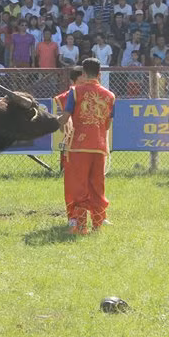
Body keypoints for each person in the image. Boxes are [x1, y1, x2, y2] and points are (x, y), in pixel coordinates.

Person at [57, 58, 115, 235]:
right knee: (97, 186)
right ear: (99, 74)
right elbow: (107, 124)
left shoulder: (75, 91)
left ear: (83, 73)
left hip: (78, 146)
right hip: (99, 145)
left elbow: (65, 119)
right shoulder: (110, 96)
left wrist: (54, 123)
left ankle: (80, 226)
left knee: (79, 186)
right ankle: (97, 224)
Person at [55, 65, 84, 174]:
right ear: (73, 81)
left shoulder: (91, 94)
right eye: (82, 79)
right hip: (73, 135)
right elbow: (62, 125)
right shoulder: (65, 97)